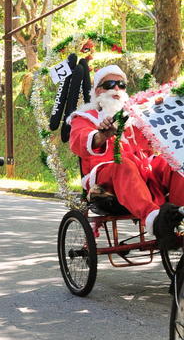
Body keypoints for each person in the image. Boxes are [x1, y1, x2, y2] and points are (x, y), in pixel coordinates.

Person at [69, 63, 184, 248]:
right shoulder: (85, 117)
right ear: (97, 91)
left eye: (121, 85)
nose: (116, 88)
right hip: (107, 177)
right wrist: (102, 135)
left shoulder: (135, 116)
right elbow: (79, 141)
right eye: (110, 84)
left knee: (175, 162)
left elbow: (160, 135)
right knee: (123, 163)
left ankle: (178, 215)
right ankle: (155, 221)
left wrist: (163, 109)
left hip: (145, 173)